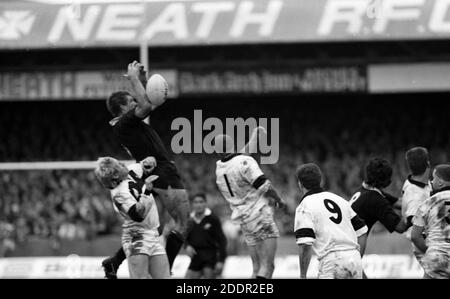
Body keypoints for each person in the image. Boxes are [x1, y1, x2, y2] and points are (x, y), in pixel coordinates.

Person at [102, 61, 189, 278]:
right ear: (123, 108)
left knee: (155, 228)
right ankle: (165, 268)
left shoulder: (126, 124)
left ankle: (114, 261)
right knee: (183, 222)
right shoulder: (124, 123)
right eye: (131, 101)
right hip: (161, 171)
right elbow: (147, 106)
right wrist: (133, 78)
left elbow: (145, 101)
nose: (136, 102)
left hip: (155, 171)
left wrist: (141, 81)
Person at [214, 133, 285, 279]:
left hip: (244, 220)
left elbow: (239, 158)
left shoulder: (220, 168)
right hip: (260, 215)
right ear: (233, 145)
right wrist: (279, 199)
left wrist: (255, 136)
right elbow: (264, 185)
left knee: (257, 268)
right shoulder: (245, 161)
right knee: (267, 267)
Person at [94, 156, 170, 279]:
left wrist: (149, 161)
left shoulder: (129, 172)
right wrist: (147, 192)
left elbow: (144, 165)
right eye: (119, 165)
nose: (123, 164)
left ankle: (114, 262)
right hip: (137, 237)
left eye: (119, 162)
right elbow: (138, 216)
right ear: (115, 177)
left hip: (153, 235)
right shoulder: (119, 194)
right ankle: (114, 262)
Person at [294, 163, 368, 279]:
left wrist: (303, 276)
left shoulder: (304, 207)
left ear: (300, 184)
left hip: (332, 261)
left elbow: (305, 244)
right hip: (354, 258)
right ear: (321, 180)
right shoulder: (340, 200)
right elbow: (362, 231)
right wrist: (357, 255)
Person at [350, 158, 409, 257]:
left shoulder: (364, 190)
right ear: (387, 180)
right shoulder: (375, 199)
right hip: (348, 251)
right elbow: (400, 227)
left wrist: (415, 200)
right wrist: (416, 210)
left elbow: (398, 202)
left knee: (360, 272)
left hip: (343, 244)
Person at [411, 164, 450, 279]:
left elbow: (415, 236)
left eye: (433, 178)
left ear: (440, 183)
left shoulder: (428, 203)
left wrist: (430, 250)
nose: (431, 182)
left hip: (436, 256)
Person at [184, 193, 227, 279]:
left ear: (205, 203)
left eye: (201, 202)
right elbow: (184, 237)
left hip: (210, 257)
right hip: (196, 257)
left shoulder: (213, 219)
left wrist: (221, 260)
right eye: (196, 202)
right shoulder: (189, 220)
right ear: (192, 204)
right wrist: (187, 246)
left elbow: (222, 240)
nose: (198, 205)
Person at [401, 147, 432, 266]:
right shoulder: (416, 197)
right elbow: (414, 234)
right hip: (425, 245)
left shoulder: (415, 182)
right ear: (428, 164)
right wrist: (431, 252)